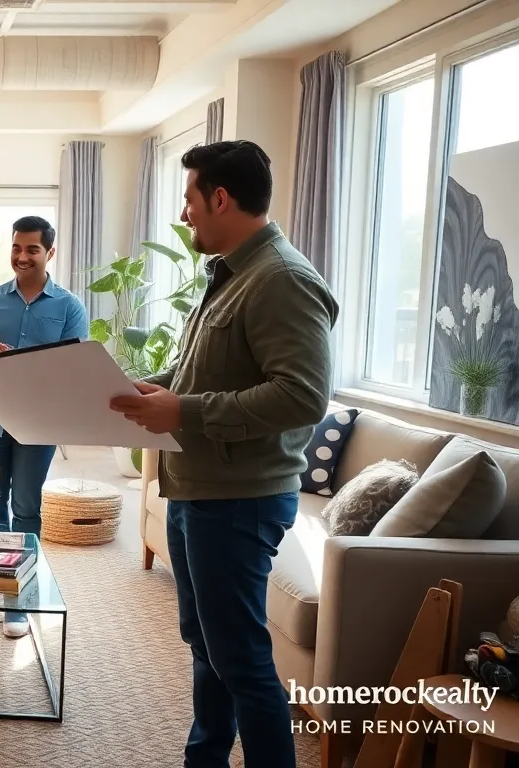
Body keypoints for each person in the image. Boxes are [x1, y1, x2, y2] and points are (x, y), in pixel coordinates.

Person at [109, 140, 337, 768]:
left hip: (240, 500)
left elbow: (302, 396)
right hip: (196, 489)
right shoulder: (232, 274)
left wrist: (183, 411)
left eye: (189, 199)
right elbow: (205, 367)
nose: (184, 215)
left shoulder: (283, 280)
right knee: (206, 645)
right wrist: (159, 385)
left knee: (241, 661)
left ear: (219, 197)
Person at [0, 215, 87, 639]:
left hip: (38, 424)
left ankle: (20, 598)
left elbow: (75, 368)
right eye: (17, 248)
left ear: (49, 253)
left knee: (26, 510)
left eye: (32, 249)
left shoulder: (69, 307)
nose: (22, 256)